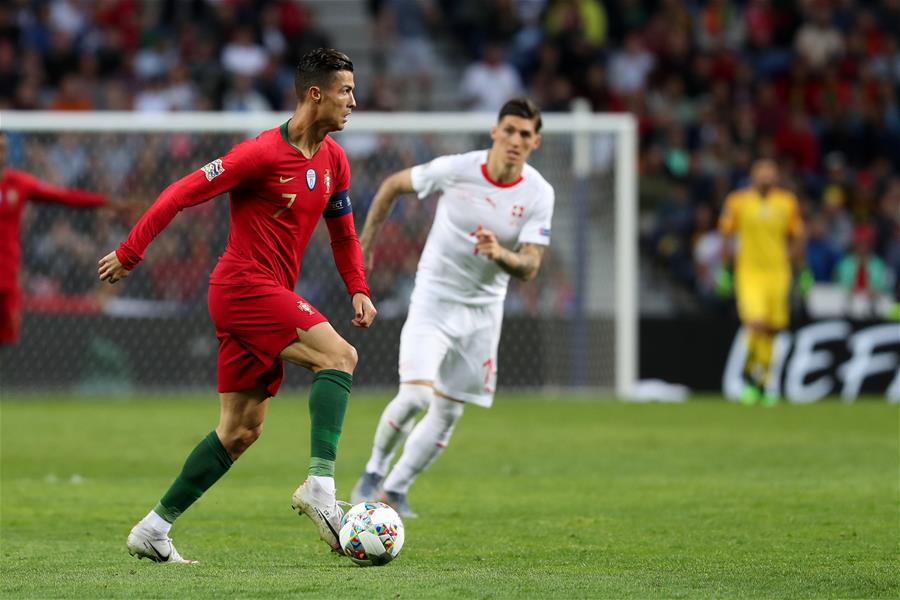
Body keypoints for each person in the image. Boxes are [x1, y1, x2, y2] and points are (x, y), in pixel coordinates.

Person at [98, 48, 376, 563]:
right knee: (340, 357)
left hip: (267, 292)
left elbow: (343, 234)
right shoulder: (260, 155)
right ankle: (321, 486)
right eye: (345, 91)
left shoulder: (335, 161)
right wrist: (130, 251)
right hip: (243, 287)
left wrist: (357, 285)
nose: (353, 102)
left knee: (240, 431)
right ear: (315, 94)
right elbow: (181, 192)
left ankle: (153, 528)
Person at [350, 98, 554, 517]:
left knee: (447, 413)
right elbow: (392, 185)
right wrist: (364, 245)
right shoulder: (458, 169)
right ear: (495, 132)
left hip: (482, 315)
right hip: (433, 301)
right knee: (415, 398)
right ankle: (372, 473)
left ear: (536, 142)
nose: (516, 140)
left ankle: (395, 490)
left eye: (525, 134)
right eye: (510, 130)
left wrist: (500, 254)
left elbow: (531, 266)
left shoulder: (538, 193)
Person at [0, 132, 107, 347]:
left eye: (3, 148)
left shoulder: (20, 183)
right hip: (19, 265)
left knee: (7, 336)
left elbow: (62, 195)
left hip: (9, 274)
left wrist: (104, 202)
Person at [716, 158, 809, 406]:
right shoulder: (738, 201)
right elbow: (726, 235)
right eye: (762, 171)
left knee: (770, 330)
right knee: (754, 323)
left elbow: (797, 235)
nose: (766, 175)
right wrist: (725, 270)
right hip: (749, 272)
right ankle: (753, 380)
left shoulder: (787, 202)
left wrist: (801, 269)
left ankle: (762, 384)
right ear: (753, 175)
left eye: (771, 171)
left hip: (778, 273)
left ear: (776, 175)